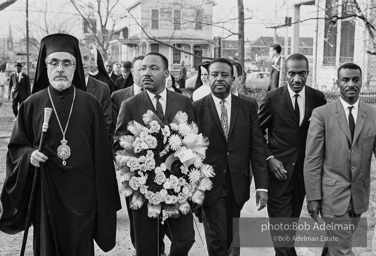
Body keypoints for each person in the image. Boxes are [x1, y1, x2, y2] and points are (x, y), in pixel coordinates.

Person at [0, 33, 120, 255]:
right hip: (46, 194)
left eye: (67, 63)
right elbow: (16, 148)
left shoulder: (90, 104)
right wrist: (29, 155)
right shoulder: (31, 104)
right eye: (53, 63)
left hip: (83, 197)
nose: (60, 69)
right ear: (45, 67)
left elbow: (102, 157)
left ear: (76, 68)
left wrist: (102, 201)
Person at [114, 52, 195, 256]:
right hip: (144, 186)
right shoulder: (130, 105)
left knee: (185, 239)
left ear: (167, 73)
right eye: (143, 69)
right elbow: (118, 143)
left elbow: (192, 139)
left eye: (154, 68)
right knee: (148, 247)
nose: (146, 73)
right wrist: (138, 163)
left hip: (176, 186)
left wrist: (183, 167)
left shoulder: (183, 102)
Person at [193, 58, 268, 256]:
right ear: (207, 79)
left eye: (224, 75)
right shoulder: (196, 108)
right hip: (209, 184)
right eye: (214, 74)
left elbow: (257, 147)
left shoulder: (248, 106)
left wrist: (261, 186)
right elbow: (189, 149)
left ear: (233, 79)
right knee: (217, 239)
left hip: (238, 184)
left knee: (233, 238)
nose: (219, 79)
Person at [304, 63, 376, 256]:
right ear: (337, 83)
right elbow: (312, 160)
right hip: (332, 197)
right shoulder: (322, 114)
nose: (351, 83)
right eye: (345, 79)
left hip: (359, 196)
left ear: (363, 81)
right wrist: (313, 197)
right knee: (343, 251)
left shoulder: (373, 114)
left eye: (355, 79)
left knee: (335, 246)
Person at [258, 53, 326, 256]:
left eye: (302, 73)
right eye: (292, 73)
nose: (297, 79)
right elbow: (256, 134)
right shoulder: (272, 98)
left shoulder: (318, 98)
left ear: (308, 73)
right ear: (285, 74)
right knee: (282, 235)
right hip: (279, 176)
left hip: (305, 176)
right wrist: (270, 158)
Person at [80, 43, 112, 136]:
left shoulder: (102, 88)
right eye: (79, 58)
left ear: (90, 60)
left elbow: (107, 124)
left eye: (86, 58)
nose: (83, 62)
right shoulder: (64, 87)